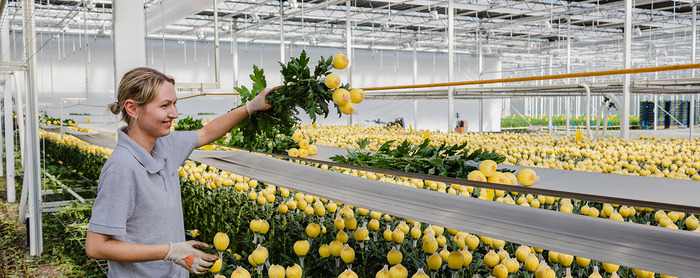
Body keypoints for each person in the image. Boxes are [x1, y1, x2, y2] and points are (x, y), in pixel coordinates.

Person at [84, 67, 274, 277]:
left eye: (174, 104)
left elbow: (206, 133)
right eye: (164, 105)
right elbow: (96, 246)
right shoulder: (122, 167)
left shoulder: (166, 145)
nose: (174, 113)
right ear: (132, 108)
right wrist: (171, 251)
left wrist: (250, 107)